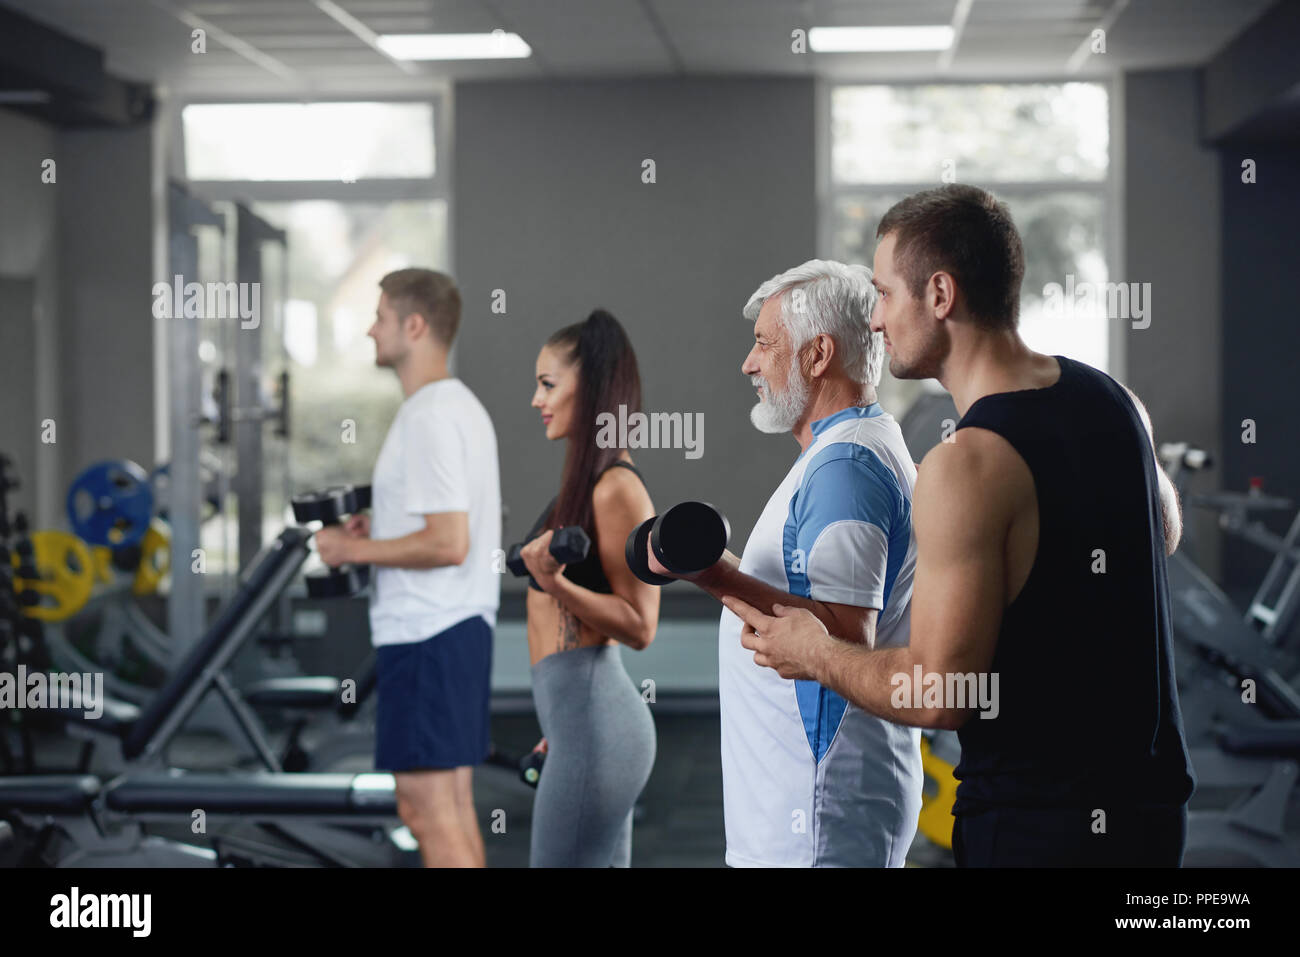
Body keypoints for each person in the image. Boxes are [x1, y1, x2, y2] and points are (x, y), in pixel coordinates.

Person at [723, 184, 1196, 867]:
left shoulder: (963, 465)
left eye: (885, 294)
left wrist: (816, 652)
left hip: (1033, 829)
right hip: (1150, 817)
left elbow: (942, 691)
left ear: (939, 295)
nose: (877, 321)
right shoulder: (1118, 402)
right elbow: (1164, 531)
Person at [644, 260, 922, 867]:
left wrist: (709, 573)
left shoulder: (845, 466)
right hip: (805, 807)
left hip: (815, 814)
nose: (749, 363)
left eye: (765, 343)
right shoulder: (843, 450)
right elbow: (807, 599)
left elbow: (841, 637)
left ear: (818, 354)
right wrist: (714, 564)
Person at [315, 268, 501, 868]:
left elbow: (449, 542)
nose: (371, 330)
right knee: (447, 806)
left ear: (414, 325)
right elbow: (442, 528)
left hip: (429, 634)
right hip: (448, 631)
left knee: (425, 810)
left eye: (381, 317)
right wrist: (384, 534)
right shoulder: (454, 408)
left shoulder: (429, 415)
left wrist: (352, 549)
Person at [517, 310, 660, 867]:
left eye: (548, 384)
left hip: (599, 724)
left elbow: (640, 625)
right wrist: (560, 727)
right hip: (576, 724)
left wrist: (554, 582)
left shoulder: (616, 489)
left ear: (594, 388)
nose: (537, 399)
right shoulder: (582, 487)